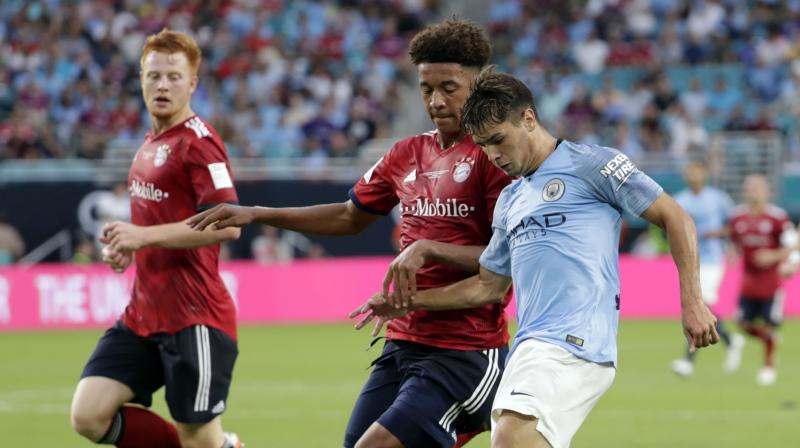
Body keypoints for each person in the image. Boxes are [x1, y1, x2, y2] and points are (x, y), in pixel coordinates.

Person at [350, 69, 719, 448]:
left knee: (511, 437)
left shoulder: (593, 164)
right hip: (530, 348)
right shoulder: (510, 200)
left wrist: (692, 300)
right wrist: (407, 303)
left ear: (528, 119)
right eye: (484, 145)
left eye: (498, 140)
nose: (494, 156)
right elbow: (487, 286)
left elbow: (675, 216)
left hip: (573, 343)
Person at [188, 19, 512, 448]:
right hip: (403, 345)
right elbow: (348, 216)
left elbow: (505, 260)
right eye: (425, 88)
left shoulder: (496, 159)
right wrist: (257, 213)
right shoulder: (406, 152)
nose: (435, 101)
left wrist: (428, 250)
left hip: (466, 352)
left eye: (449, 88)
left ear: (479, 84)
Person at [69, 29, 243, 448]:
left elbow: (227, 224)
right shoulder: (149, 144)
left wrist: (143, 237)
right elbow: (155, 223)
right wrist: (127, 249)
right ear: (141, 79)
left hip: (194, 318)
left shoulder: (200, 144)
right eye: (153, 76)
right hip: (143, 315)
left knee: (199, 440)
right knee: (89, 415)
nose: (162, 85)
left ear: (192, 84)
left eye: (173, 77)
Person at [670, 160, 745, 377]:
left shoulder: (718, 199)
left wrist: (724, 239)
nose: (693, 175)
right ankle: (731, 340)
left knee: (699, 303)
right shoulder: (680, 200)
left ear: (705, 174)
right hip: (690, 259)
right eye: (690, 171)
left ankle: (688, 360)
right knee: (698, 304)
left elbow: (732, 226)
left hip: (712, 258)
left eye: (697, 171)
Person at [728, 174, 796, 386]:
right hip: (748, 284)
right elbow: (733, 241)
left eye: (758, 187)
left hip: (771, 284)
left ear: (767, 191)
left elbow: (793, 246)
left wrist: (785, 261)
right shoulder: (737, 217)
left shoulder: (778, 218)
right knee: (741, 322)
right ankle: (770, 342)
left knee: (769, 325)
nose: (754, 191)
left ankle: (768, 366)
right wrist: (731, 252)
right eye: (750, 187)